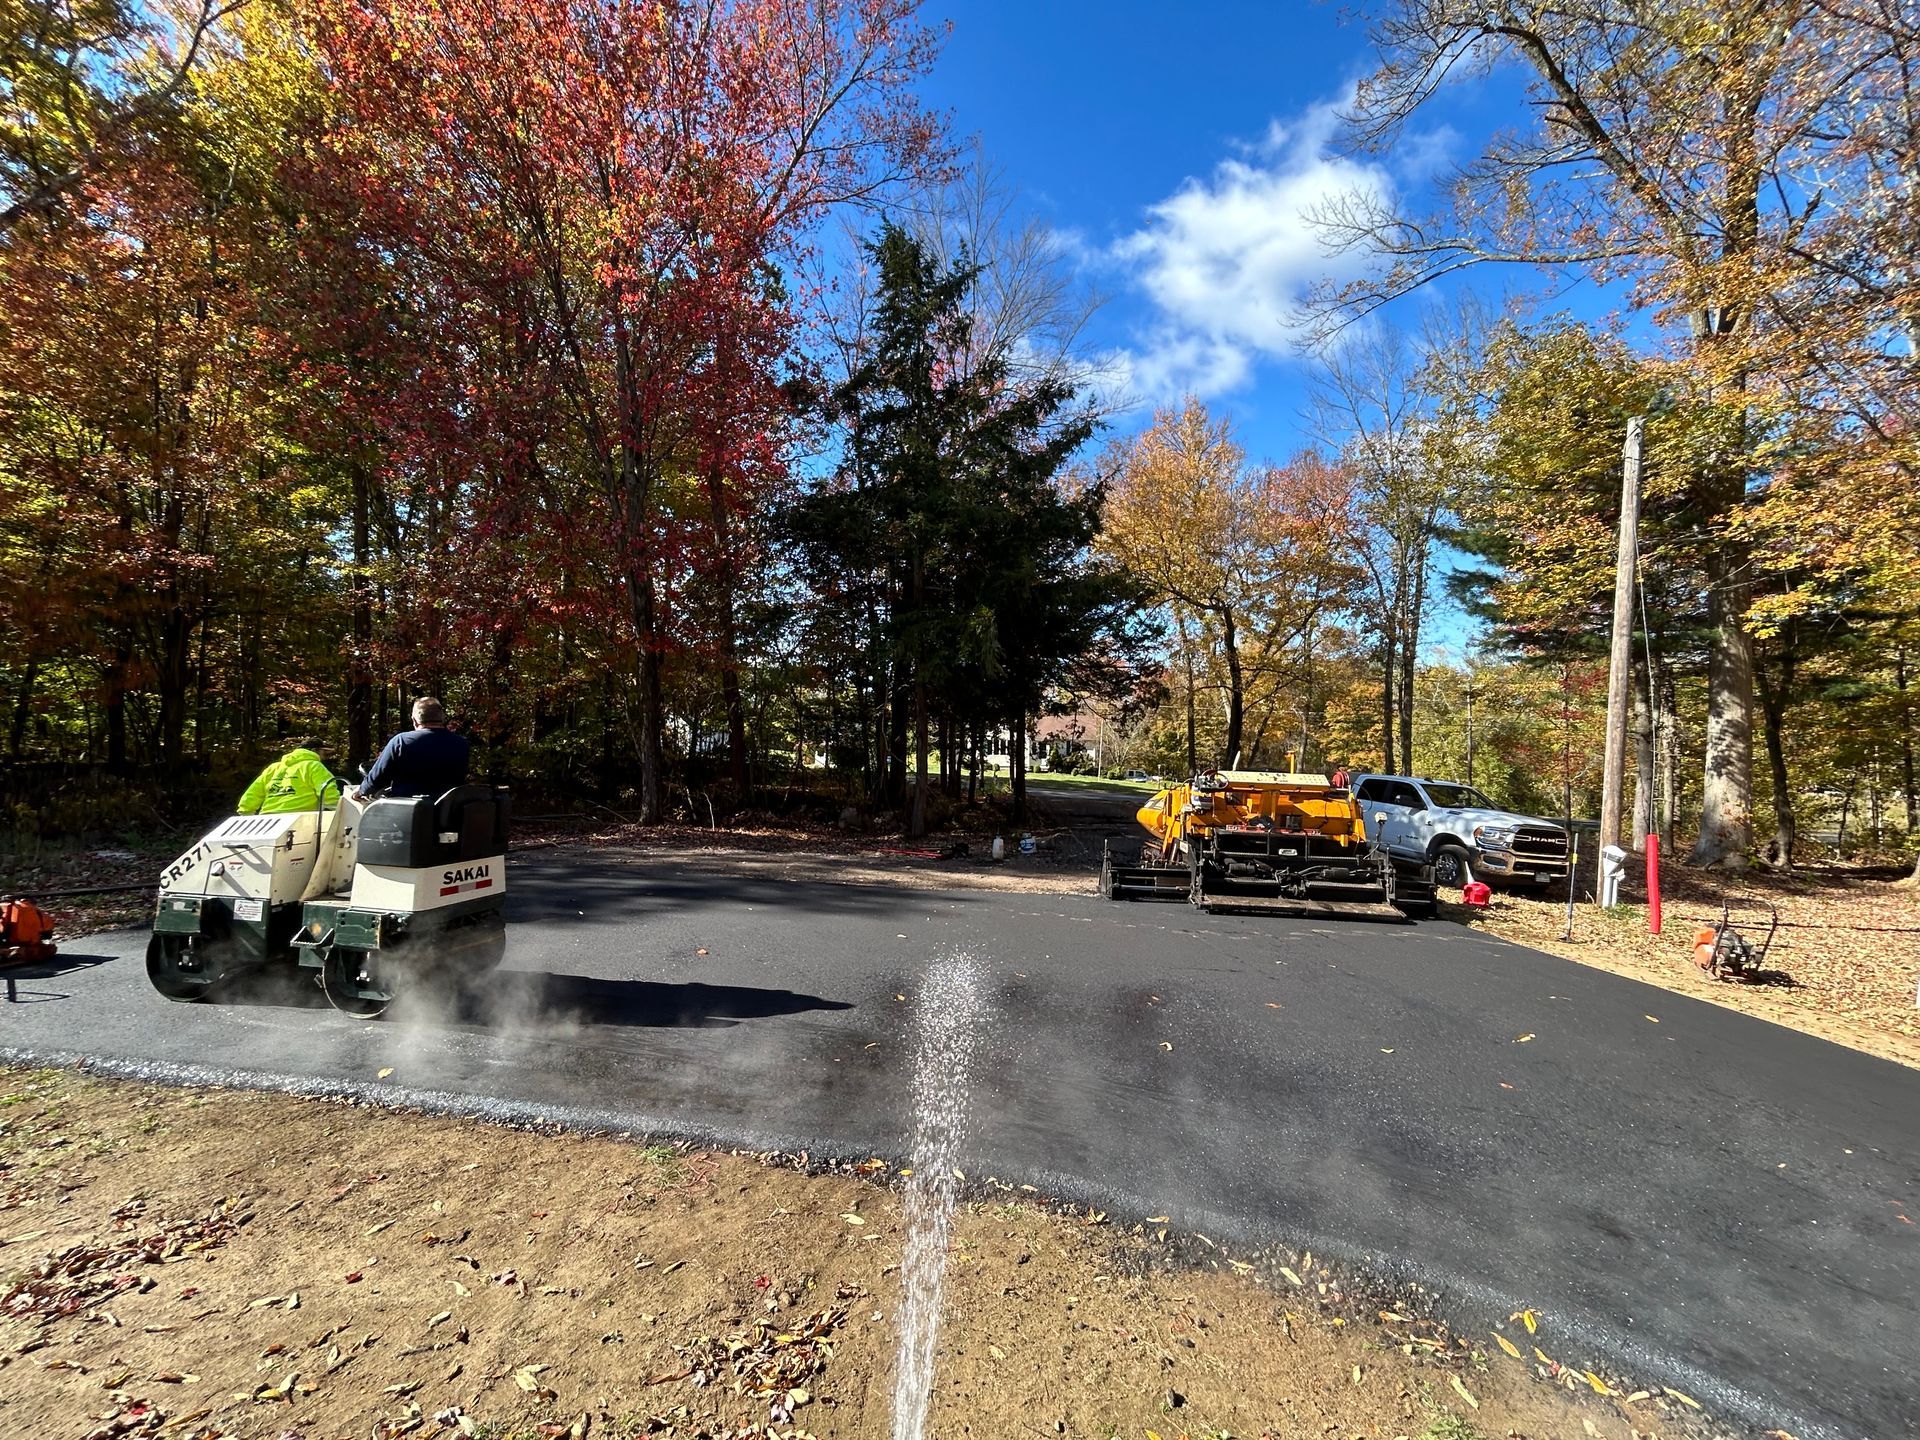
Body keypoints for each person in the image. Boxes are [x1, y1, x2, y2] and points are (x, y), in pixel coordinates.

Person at [353, 697, 471, 801]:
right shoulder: (461, 743)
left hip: (408, 813)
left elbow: (377, 777)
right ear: (442, 718)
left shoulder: (401, 742)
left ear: (414, 720)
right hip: (449, 813)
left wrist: (361, 791)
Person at [238, 741, 343, 815]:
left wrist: (246, 812)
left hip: (267, 817)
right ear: (315, 750)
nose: (324, 757)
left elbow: (253, 793)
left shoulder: (274, 768)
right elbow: (327, 791)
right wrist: (338, 809)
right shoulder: (313, 766)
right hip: (300, 818)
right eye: (324, 753)